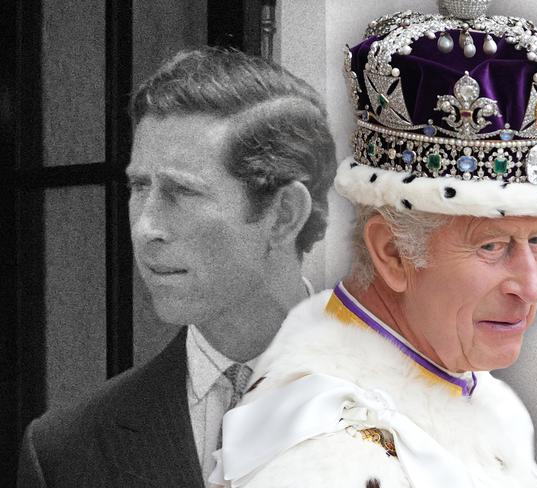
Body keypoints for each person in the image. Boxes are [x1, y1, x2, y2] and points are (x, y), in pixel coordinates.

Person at [209, 2, 537, 487]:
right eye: (492, 246)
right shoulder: (326, 457)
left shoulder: (480, 396)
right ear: (391, 253)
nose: (529, 288)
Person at [17, 47, 337, 488]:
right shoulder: (65, 451)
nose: (145, 228)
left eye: (182, 192)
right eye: (139, 186)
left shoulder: (423, 408)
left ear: (283, 214)